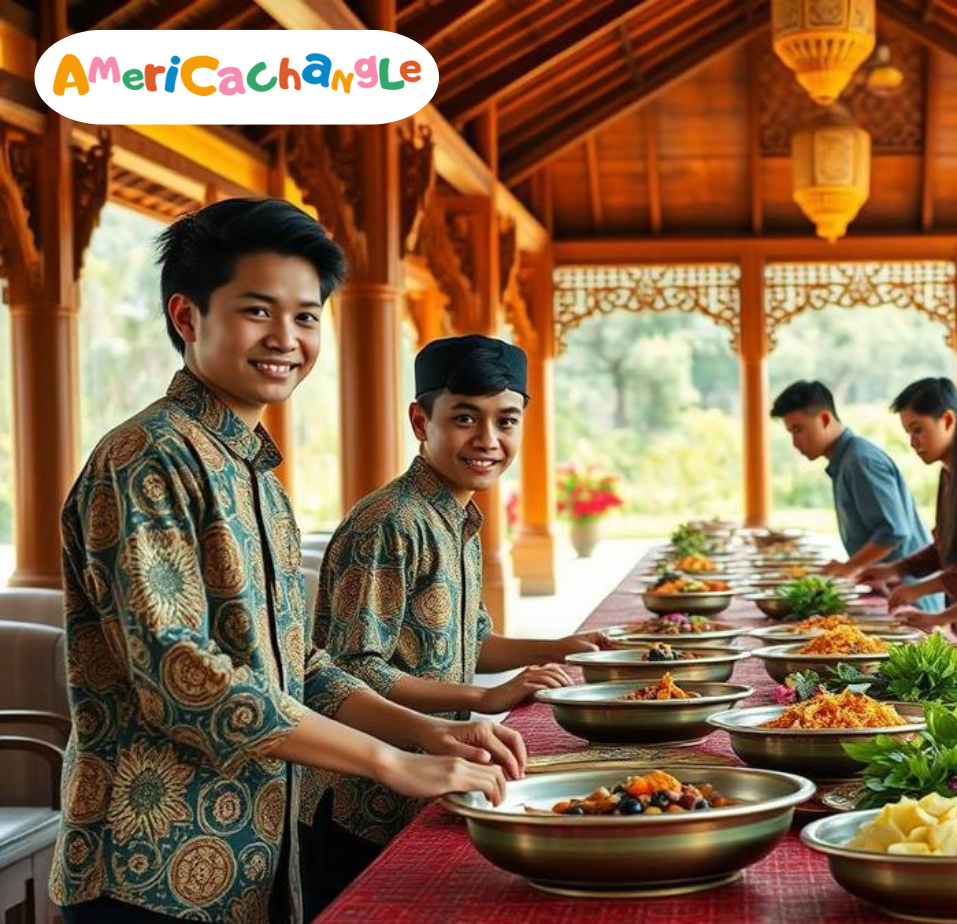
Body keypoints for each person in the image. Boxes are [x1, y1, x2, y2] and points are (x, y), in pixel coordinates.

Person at [51, 199, 523, 924]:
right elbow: (186, 680)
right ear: (186, 317)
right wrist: (389, 760)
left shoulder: (258, 476)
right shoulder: (146, 458)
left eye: (306, 317)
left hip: (259, 856)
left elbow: (302, 663)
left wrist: (425, 729)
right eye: (258, 311)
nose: (287, 338)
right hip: (150, 870)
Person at [297, 334, 611, 916]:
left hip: (433, 773)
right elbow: (351, 670)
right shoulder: (391, 522)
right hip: (360, 803)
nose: (488, 440)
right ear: (422, 420)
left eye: (506, 420)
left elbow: (470, 643)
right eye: (465, 418)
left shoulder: (459, 514)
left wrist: (560, 646)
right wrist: (484, 697)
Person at [858, 377, 957, 643]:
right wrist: (894, 570)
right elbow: (945, 547)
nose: (913, 442)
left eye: (918, 429)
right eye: (908, 432)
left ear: (947, 420)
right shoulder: (949, 473)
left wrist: (922, 588)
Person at [770, 380, 931, 596]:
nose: (794, 442)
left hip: (911, 596)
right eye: (791, 433)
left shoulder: (859, 460)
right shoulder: (846, 459)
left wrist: (850, 568)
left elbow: (894, 532)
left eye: (798, 430)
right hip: (891, 591)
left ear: (825, 419)